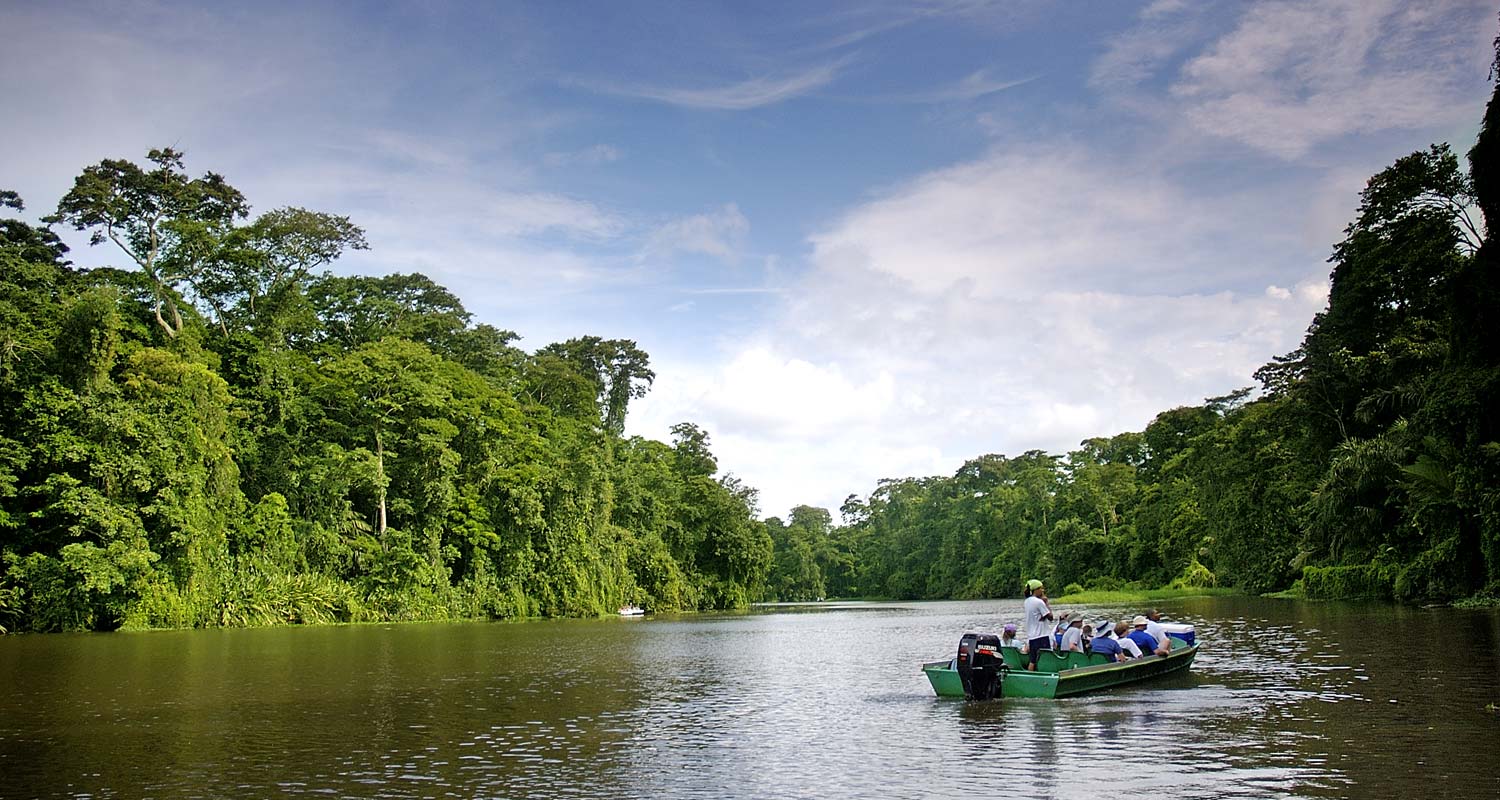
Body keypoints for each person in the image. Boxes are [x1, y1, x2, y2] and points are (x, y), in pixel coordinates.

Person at [1022, 579, 1059, 671]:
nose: (1043, 591)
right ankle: (1045, 676)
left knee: (1033, 660)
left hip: (1032, 637)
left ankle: (1030, 677)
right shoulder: (1039, 602)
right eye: (1041, 588)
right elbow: (1050, 617)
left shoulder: (1027, 601)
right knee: (1045, 658)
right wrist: (1046, 603)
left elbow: (1039, 615)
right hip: (1042, 636)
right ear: (1036, 590)